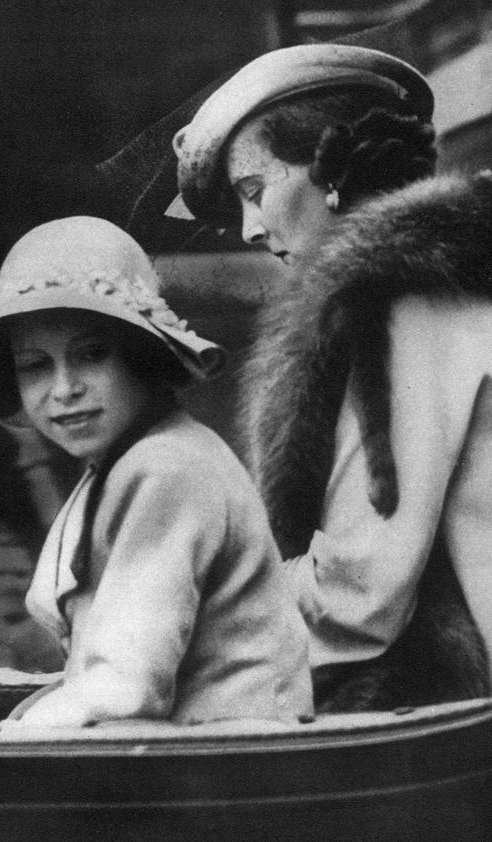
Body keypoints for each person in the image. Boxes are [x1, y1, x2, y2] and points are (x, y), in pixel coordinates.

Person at [173, 43, 492, 711]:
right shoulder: (449, 271)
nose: (249, 229)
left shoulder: (400, 298)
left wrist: (201, 627)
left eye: (255, 192)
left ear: (329, 167)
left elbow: (361, 589)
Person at [0, 216, 312, 728]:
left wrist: (4, 737)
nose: (64, 388)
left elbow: (125, 684)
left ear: (140, 356)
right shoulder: (125, 464)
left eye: (91, 356)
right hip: (180, 749)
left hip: (225, 766)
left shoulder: (166, 469)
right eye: (36, 366)